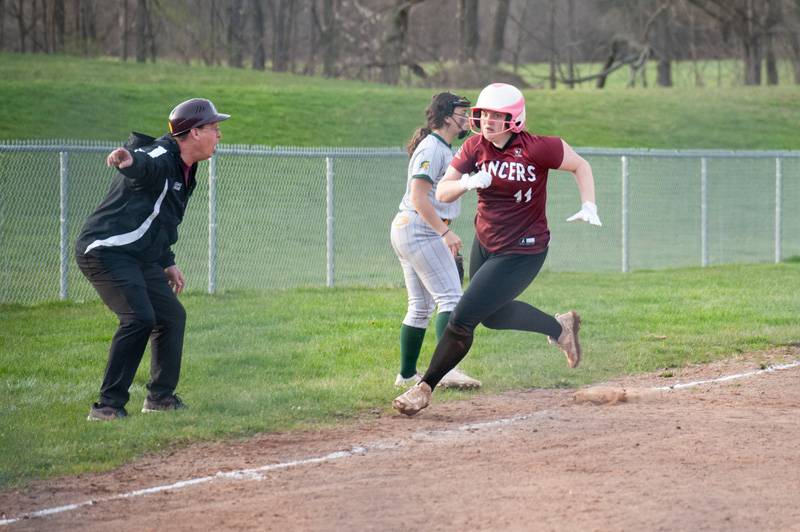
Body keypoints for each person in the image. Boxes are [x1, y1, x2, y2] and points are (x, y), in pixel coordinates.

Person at [393, 83, 602, 415]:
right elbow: (443, 191)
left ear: (515, 120)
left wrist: (589, 204)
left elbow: (580, 165)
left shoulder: (537, 148)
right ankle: (558, 327)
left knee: (462, 319)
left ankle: (424, 388)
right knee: (490, 316)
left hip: (524, 250)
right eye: (483, 114)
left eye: (496, 116)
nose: (487, 121)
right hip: (487, 243)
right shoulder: (475, 147)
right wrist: (465, 183)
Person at [76, 98, 230, 421]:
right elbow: (144, 163)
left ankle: (160, 398)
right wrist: (127, 159)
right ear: (194, 133)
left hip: (139, 255)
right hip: (106, 249)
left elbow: (161, 219)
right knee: (138, 318)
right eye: (214, 129)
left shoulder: (187, 168)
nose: (219, 136)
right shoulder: (162, 155)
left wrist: (167, 260)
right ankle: (108, 406)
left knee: (171, 316)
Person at [390, 92, 482, 390]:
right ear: (446, 117)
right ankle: (446, 371)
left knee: (420, 306)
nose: (467, 117)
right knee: (452, 299)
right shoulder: (432, 148)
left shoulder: (443, 147)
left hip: (411, 227)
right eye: (461, 112)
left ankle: (406, 375)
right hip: (421, 227)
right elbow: (419, 196)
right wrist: (444, 232)